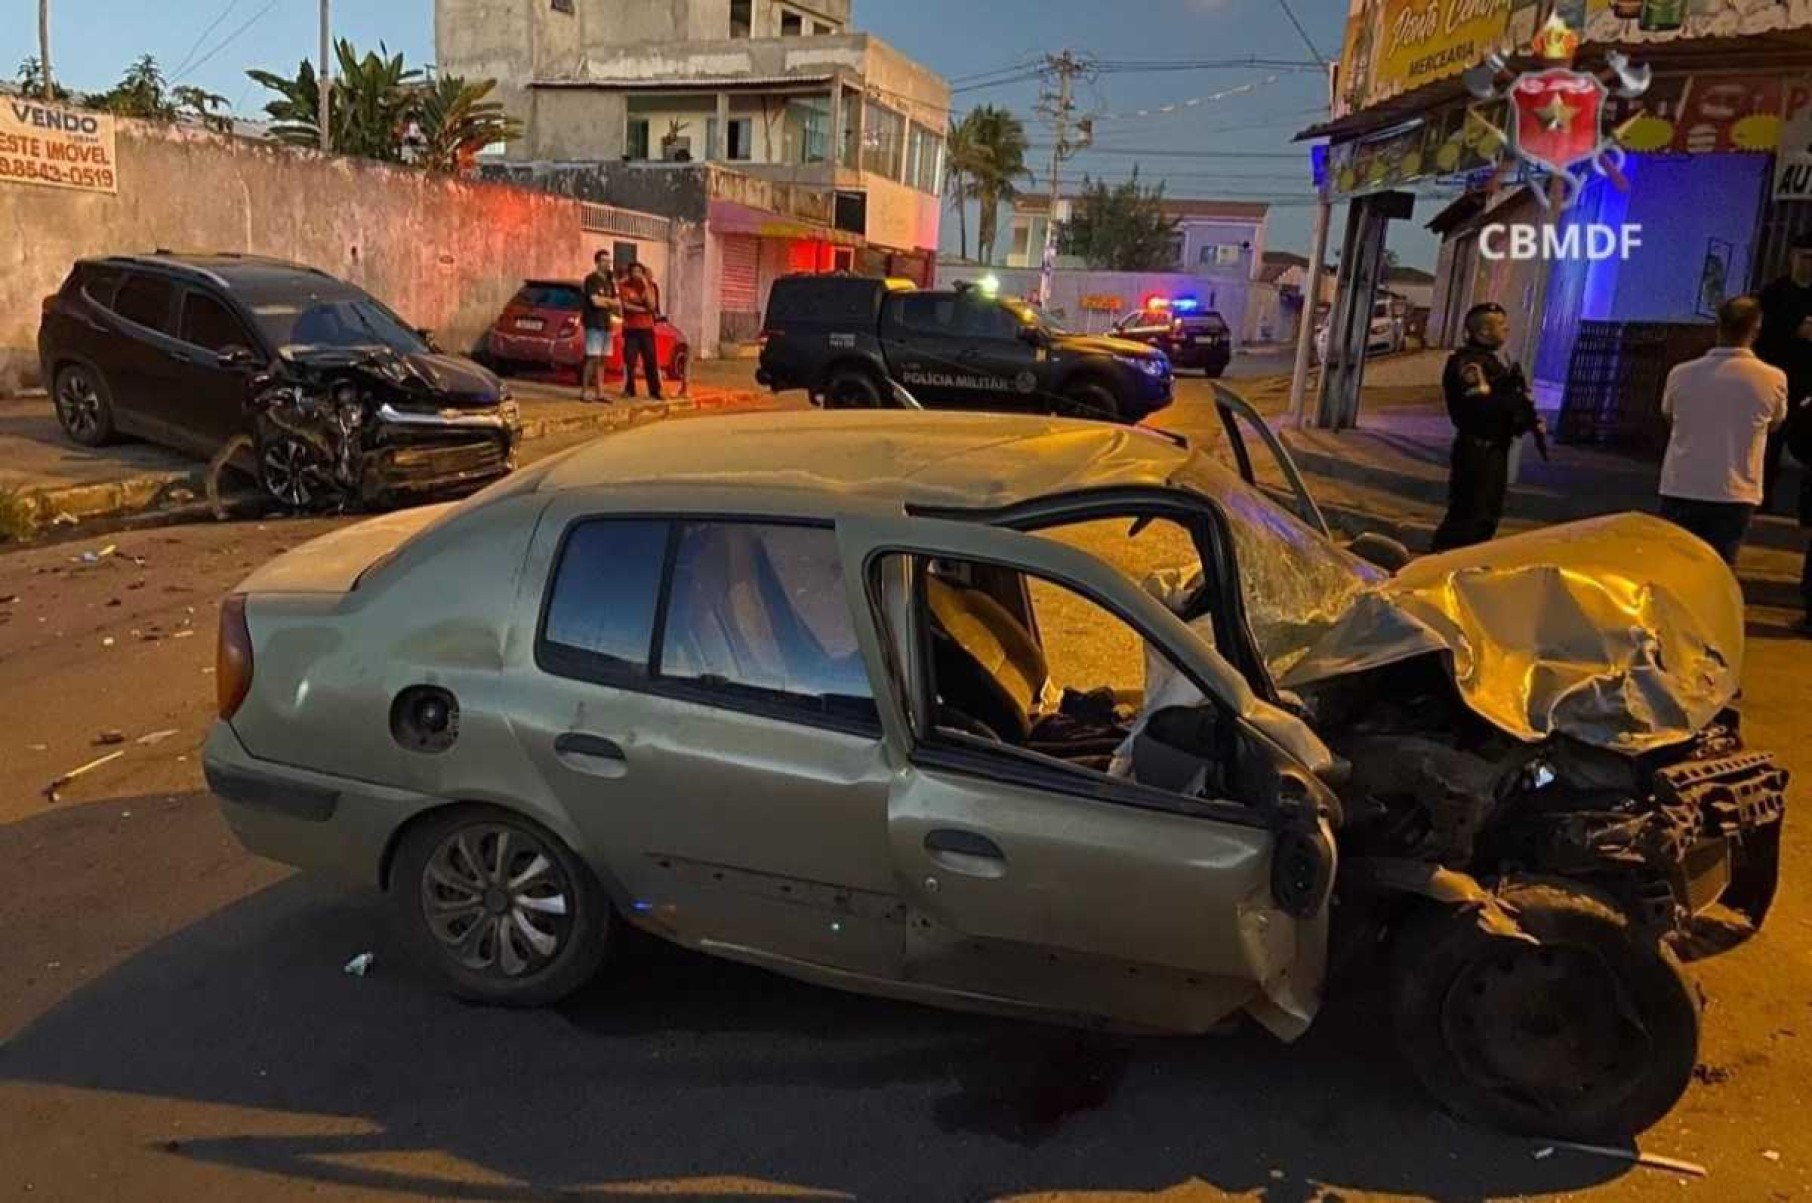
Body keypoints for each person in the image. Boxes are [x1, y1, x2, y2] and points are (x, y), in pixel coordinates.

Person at [1657, 296, 1788, 567]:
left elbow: (1669, 415)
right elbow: (1775, 423)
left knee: (1673, 566)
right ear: (1756, 328)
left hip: (1681, 483)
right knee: (1719, 569)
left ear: (1718, 326)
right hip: (1735, 490)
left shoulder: (1681, 374)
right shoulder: (1773, 378)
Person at [1430, 302, 1543, 552]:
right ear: (1482, 332)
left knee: (1484, 518)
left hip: (1493, 449)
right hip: (1478, 450)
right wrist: (1515, 404)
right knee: (1468, 520)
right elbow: (1484, 408)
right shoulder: (1470, 364)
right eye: (1500, 326)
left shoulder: (1491, 362)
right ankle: (1434, 573)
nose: (1507, 329)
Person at [1754, 234, 1812, 513]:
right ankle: (1761, 501)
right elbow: (1761, 335)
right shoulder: (1774, 294)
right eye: (1804, 257)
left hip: (1808, 381)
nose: (1808, 264)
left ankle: (1807, 509)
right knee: (1769, 444)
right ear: (1792, 258)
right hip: (1776, 377)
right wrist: (1794, 331)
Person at [619, 261, 663, 401]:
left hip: (646, 329)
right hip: (631, 329)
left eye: (640, 271)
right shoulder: (625, 287)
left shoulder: (649, 287)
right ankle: (629, 389)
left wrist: (645, 284)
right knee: (630, 361)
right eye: (634, 271)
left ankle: (655, 390)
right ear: (630, 273)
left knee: (650, 360)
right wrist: (644, 310)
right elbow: (626, 306)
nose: (637, 274)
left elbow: (652, 304)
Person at [579, 249, 619, 403]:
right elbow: (595, 302)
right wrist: (607, 301)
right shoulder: (591, 279)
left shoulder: (610, 281)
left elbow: (617, 303)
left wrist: (606, 301)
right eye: (604, 261)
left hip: (606, 324)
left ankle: (600, 392)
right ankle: (584, 391)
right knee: (592, 358)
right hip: (594, 323)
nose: (607, 264)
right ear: (597, 262)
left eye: (609, 261)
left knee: (602, 360)